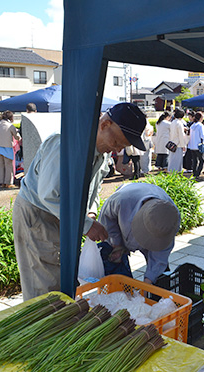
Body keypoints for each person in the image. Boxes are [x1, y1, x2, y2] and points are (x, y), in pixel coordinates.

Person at [12, 102, 147, 301]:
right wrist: (85, 224)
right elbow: (49, 195)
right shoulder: (65, 143)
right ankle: (46, 328)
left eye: (122, 146)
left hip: (64, 215)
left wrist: (90, 212)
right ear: (105, 124)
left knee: (63, 278)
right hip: (39, 215)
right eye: (118, 141)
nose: (117, 148)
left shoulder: (102, 151)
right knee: (43, 285)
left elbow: (94, 187)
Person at [98, 183, 180, 284]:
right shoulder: (122, 200)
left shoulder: (170, 219)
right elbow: (107, 220)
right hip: (121, 231)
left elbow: (160, 255)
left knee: (158, 275)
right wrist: (116, 244)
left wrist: (148, 283)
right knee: (117, 270)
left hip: (157, 233)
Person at [0, 110, 21, 188]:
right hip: (7, 148)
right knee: (9, 166)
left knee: (1, 166)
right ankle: (8, 183)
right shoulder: (10, 126)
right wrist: (18, 134)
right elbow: (17, 137)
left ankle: (2, 183)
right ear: (11, 117)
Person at [187, 111, 204, 180]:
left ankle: (194, 173)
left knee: (194, 160)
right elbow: (202, 136)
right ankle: (198, 173)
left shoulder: (192, 125)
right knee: (201, 160)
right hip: (198, 145)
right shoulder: (200, 125)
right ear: (201, 118)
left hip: (192, 146)